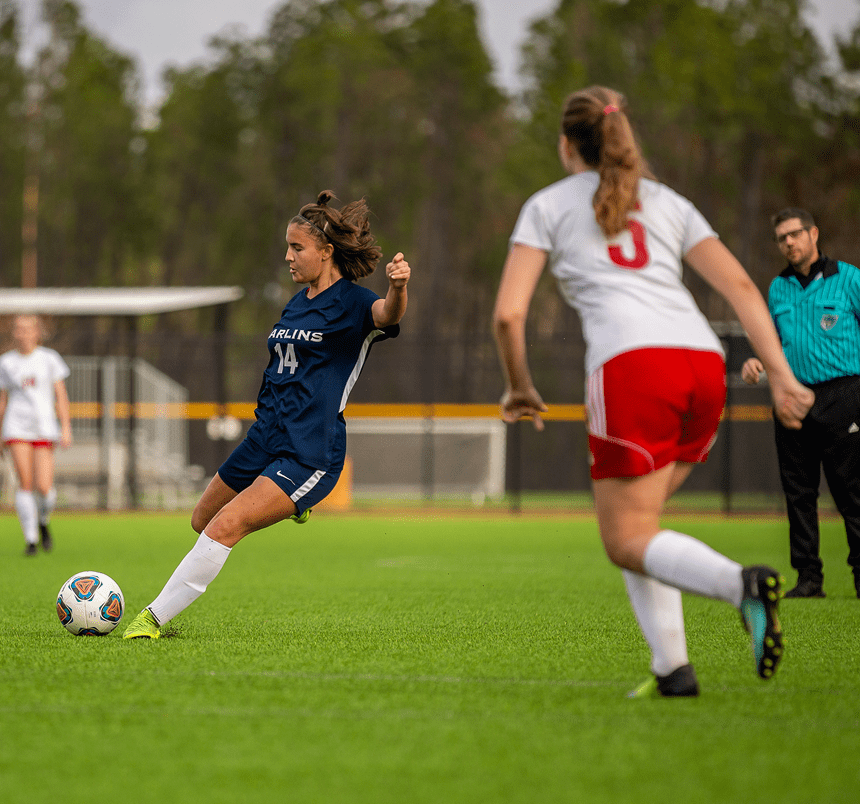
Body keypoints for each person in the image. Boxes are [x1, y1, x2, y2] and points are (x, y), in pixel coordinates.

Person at [493, 86, 815, 697]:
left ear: (566, 145)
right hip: (702, 364)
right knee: (643, 526)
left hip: (634, 368)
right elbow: (742, 288)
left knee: (626, 537)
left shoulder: (547, 205)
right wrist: (781, 375)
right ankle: (673, 670)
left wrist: (520, 386)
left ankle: (741, 586)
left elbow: (509, 315)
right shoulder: (668, 201)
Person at [123, 190, 411, 639]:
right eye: (287, 247)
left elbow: (387, 314)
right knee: (201, 520)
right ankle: (293, 504)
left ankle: (152, 620)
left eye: (297, 248)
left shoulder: (354, 303)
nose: (288, 257)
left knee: (225, 526)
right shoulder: (296, 303)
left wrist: (398, 288)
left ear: (326, 251)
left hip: (309, 450)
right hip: (265, 436)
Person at [741, 208, 860, 599]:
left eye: (795, 234)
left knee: (852, 491)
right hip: (791, 397)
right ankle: (808, 578)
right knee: (799, 492)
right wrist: (757, 360)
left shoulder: (849, 279)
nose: (788, 242)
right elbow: (771, 342)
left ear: (814, 234)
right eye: (782, 237)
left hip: (844, 395)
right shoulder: (778, 289)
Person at [0, 314, 72, 556]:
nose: (22, 333)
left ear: (36, 332)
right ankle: (30, 540)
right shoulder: (6, 362)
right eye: (18, 329)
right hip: (16, 427)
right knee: (25, 483)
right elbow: (2, 400)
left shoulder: (49, 359)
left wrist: (66, 427)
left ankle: (43, 520)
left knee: (44, 487)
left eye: (27, 329)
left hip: (43, 427)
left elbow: (61, 395)